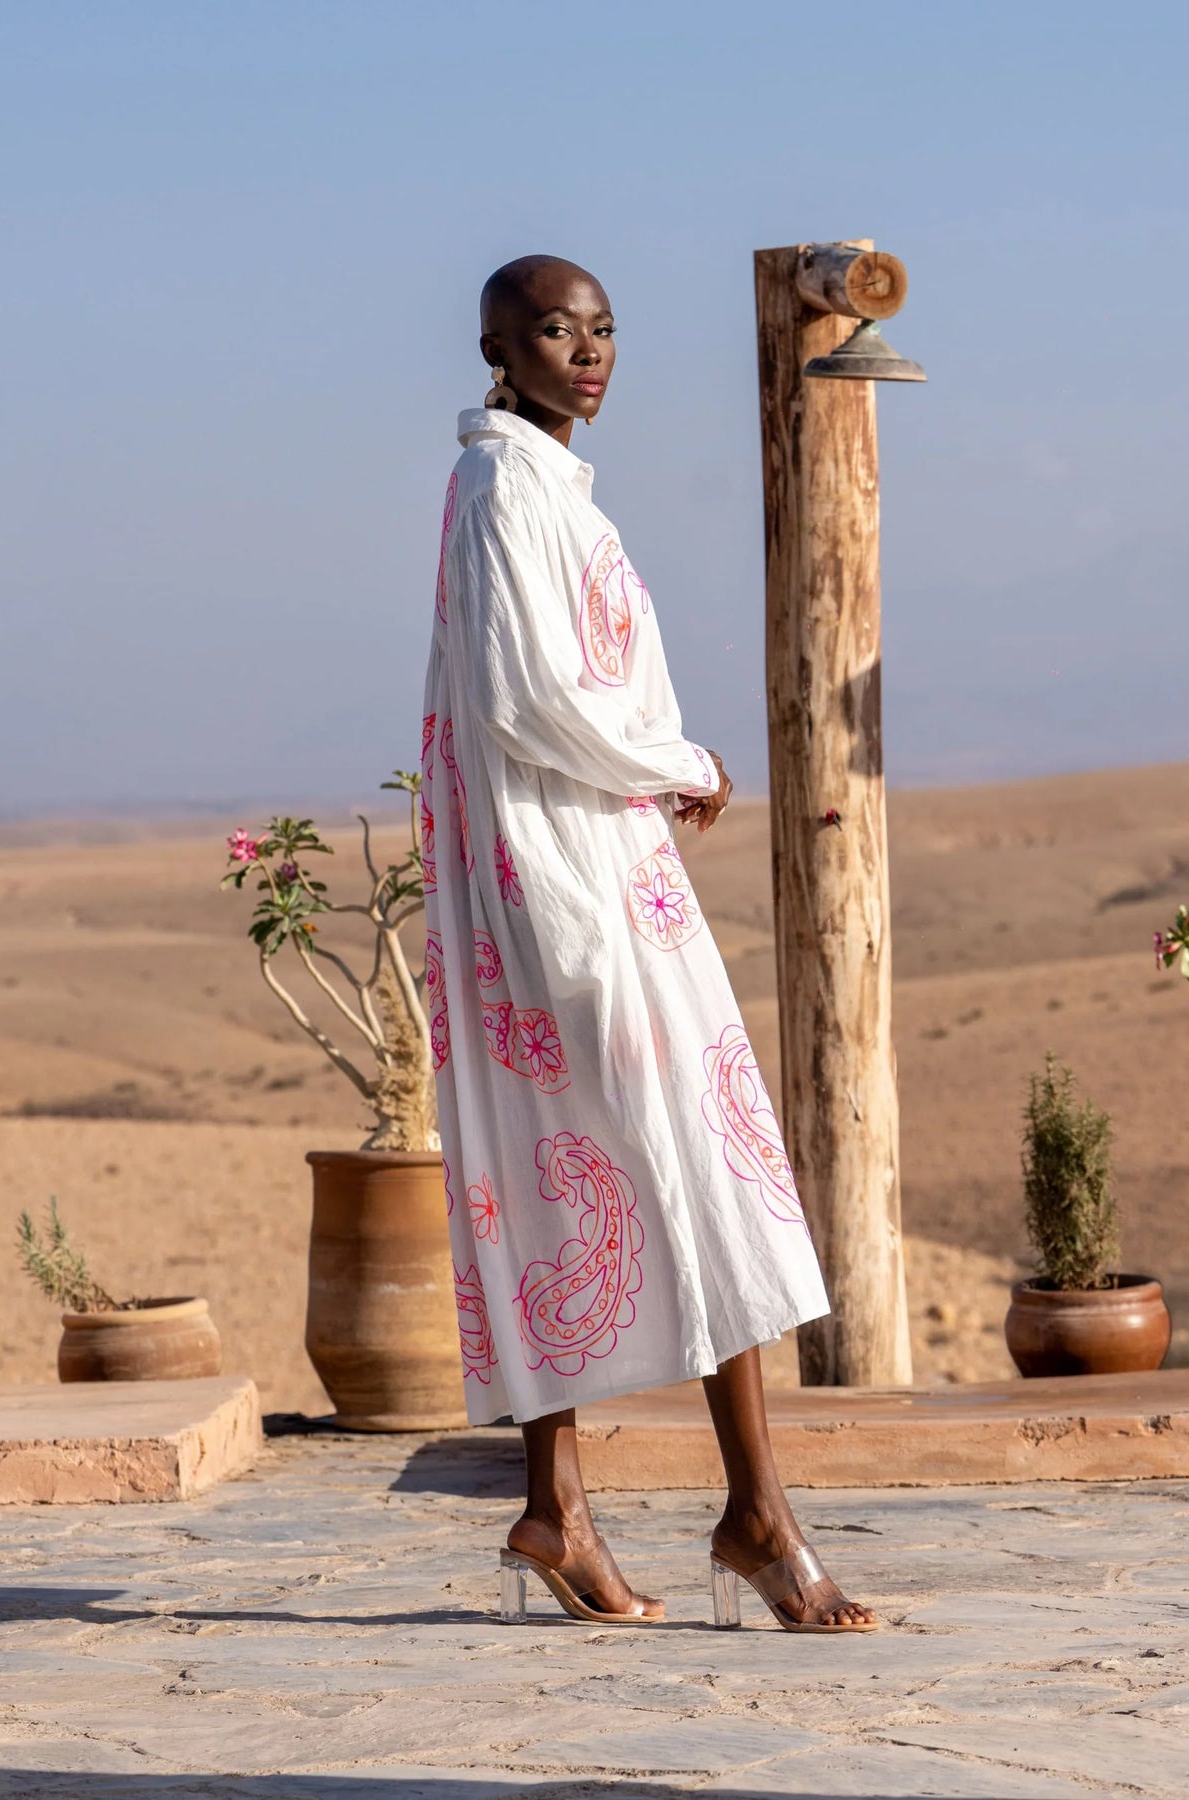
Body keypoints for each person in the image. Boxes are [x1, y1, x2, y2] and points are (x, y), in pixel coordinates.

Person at [418, 253, 877, 1634]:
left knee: (613, 1165)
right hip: (568, 882)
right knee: (688, 1160)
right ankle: (755, 1512)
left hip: (602, 858)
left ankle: (560, 1506)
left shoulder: (545, 488)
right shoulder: (503, 489)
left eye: (606, 330)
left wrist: (655, 774)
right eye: (558, 331)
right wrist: (675, 757)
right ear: (498, 347)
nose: (590, 352)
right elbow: (527, 695)